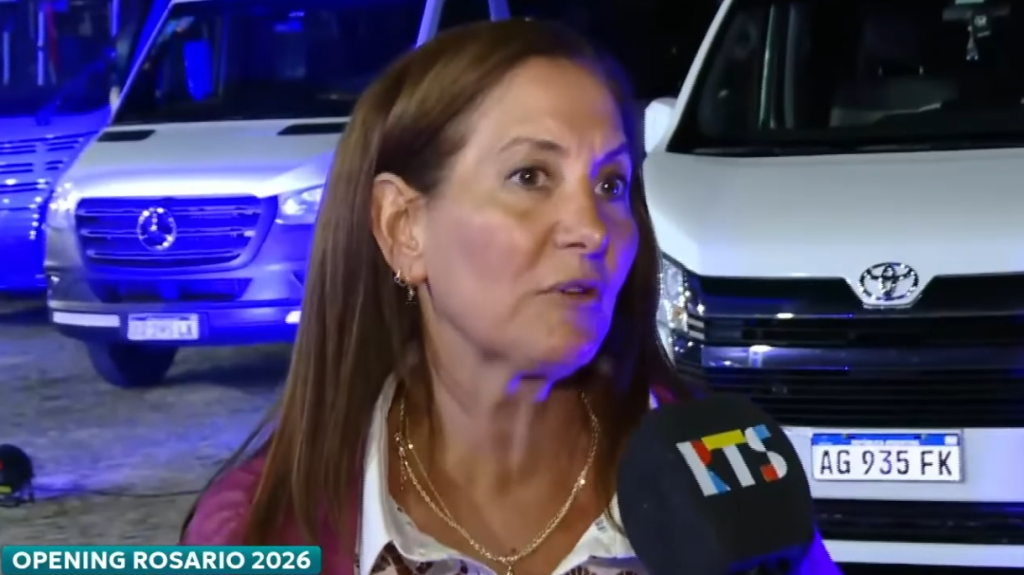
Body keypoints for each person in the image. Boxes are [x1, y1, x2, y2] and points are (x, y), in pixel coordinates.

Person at [181, 19, 842, 575]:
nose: (591, 228)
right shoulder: (255, 529)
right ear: (403, 228)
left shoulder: (728, 470)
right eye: (530, 176)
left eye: (611, 185)